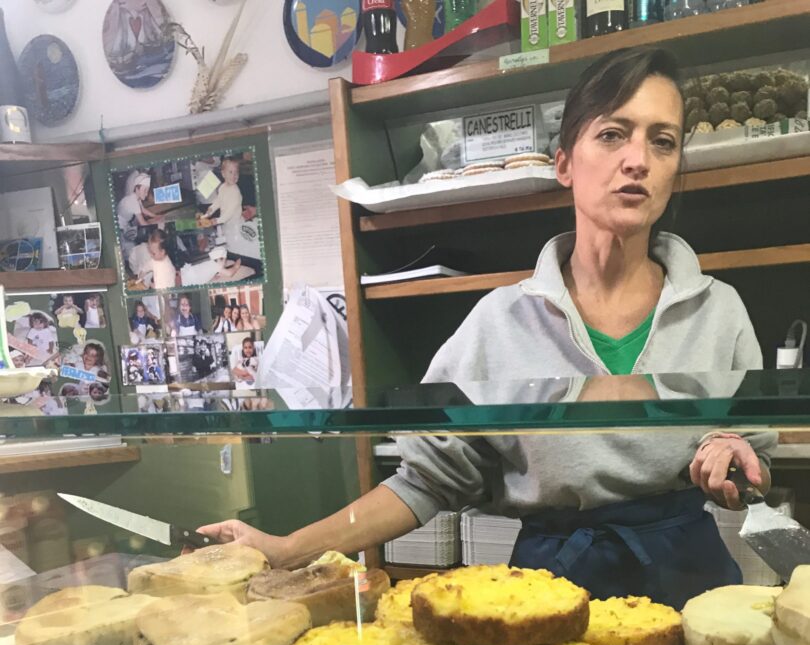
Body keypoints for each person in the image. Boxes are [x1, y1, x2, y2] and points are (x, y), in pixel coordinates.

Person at [199, 48, 772, 610]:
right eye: (613, 134)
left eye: (662, 141)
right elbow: (423, 481)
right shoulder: (500, 323)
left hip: (688, 583)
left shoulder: (718, 310)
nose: (638, 159)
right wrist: (288, 548)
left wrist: (733, 449)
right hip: (548, 592)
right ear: (565, 163)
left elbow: (755, 457)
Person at [117, 170, 163, 260]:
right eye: (144, 190)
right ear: (137, 189)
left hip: (124, 224)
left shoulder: (135, 197)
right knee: (130, 251)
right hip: (119, 227)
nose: (146, 194)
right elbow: (142, 223)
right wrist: (158, 226)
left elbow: (143, 209)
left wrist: (155, 216)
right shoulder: (132, 200)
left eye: (147, 191)